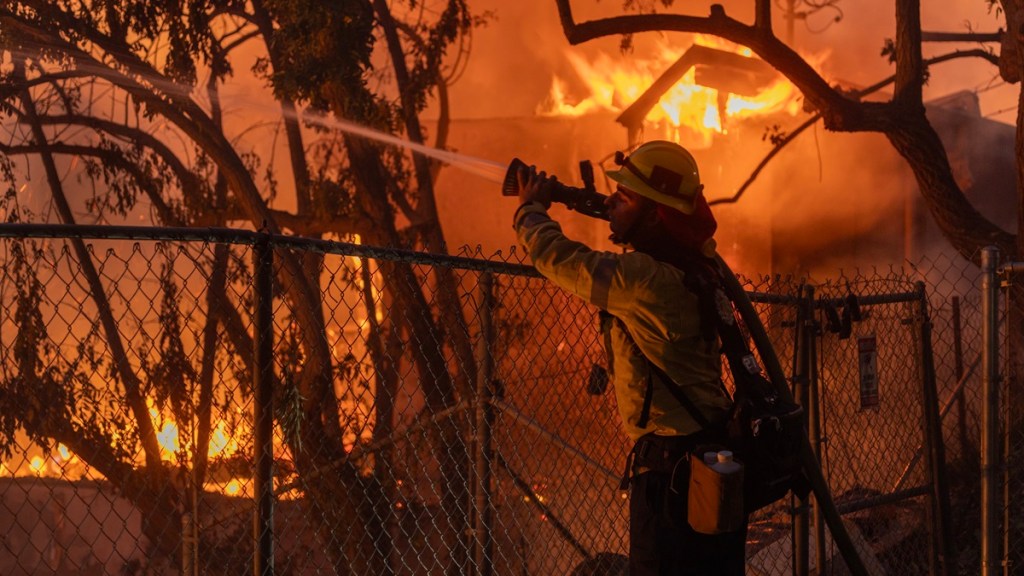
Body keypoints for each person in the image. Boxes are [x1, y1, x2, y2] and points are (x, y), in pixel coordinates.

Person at [511, 140, 747, 575]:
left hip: (669, 472)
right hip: (712, 459)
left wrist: (531, 210)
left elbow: (559, 259)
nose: (613, 199)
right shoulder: (693, 268)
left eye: (627, 196)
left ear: (657, 215)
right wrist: (581, 200)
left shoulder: (645, 280)